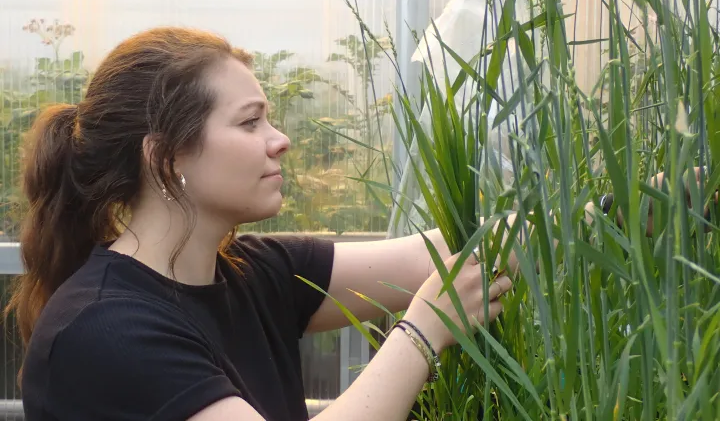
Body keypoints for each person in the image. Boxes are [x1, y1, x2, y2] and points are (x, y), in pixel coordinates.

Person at [8, 27, 515, 421]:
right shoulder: (104, 327)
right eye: (250, 122)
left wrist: (577, 215)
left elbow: (447, 252)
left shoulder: (251, 270)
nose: (280, 140)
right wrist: (422, 331)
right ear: (164, 158)